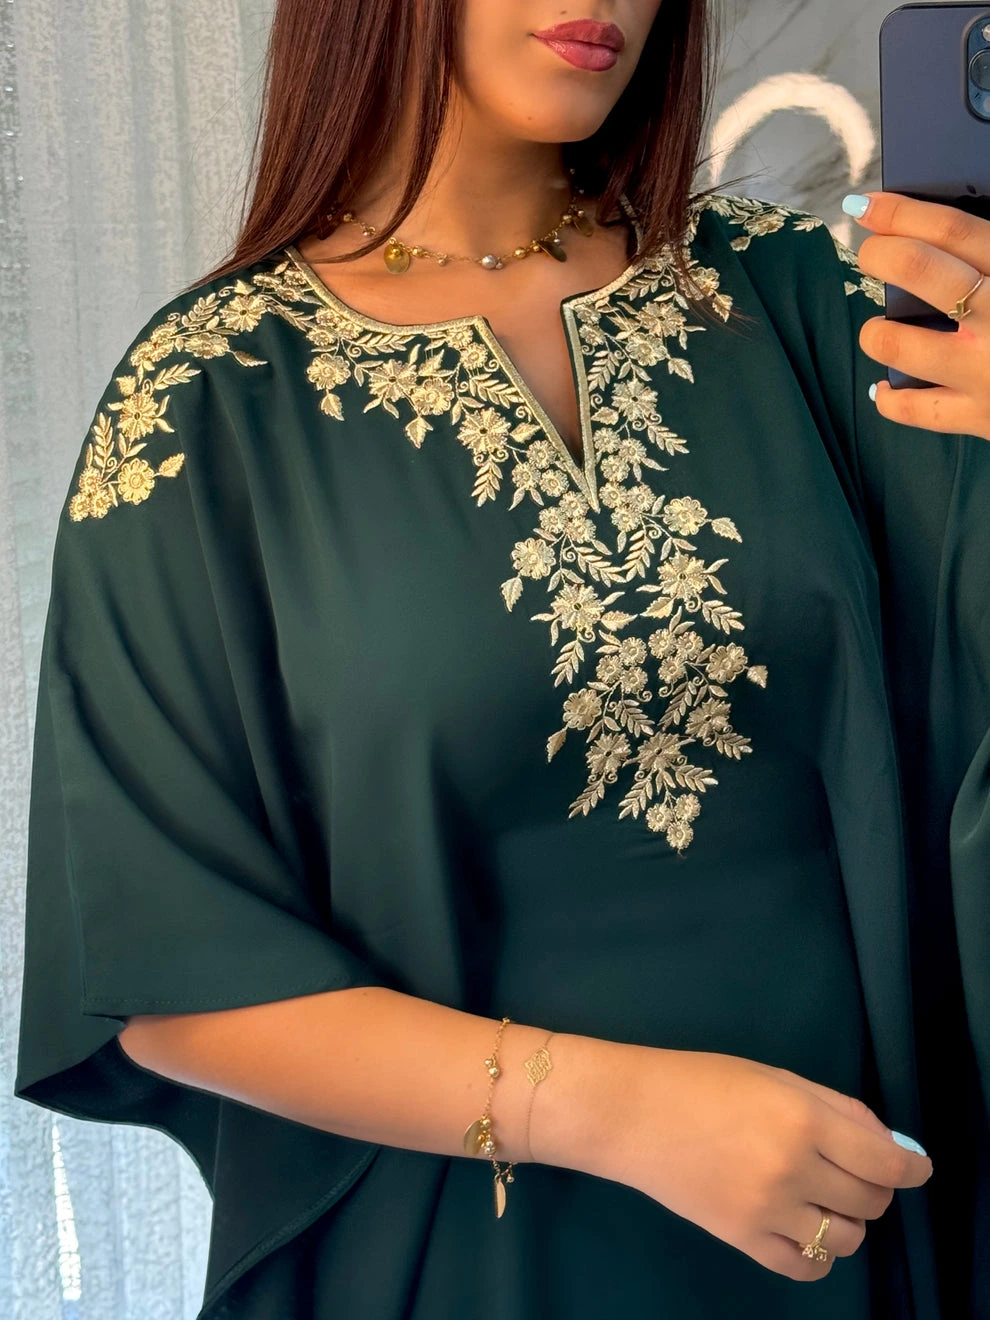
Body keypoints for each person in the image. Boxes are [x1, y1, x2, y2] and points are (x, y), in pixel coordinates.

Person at [13, 1, 990, 1317]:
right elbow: (165, 962)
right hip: (461, 1255)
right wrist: (614, 1111)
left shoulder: (795, 297)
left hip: (853, 1220)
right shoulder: (207, 398)